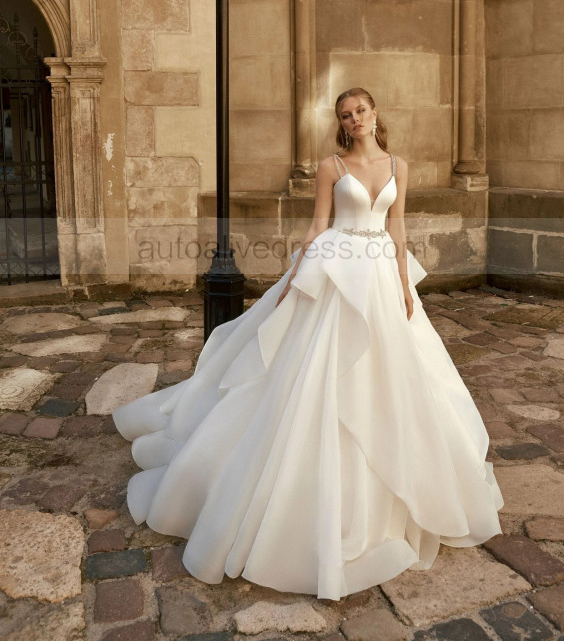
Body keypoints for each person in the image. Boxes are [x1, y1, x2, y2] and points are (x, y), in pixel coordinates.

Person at [112, 87, 504, 602]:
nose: (355, 118)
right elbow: (318, 227)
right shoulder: (331, 167)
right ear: (341, 123)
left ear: (374, 113)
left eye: (361, 110)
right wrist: (294, 280)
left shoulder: (398, 166)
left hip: (382, 278)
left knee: (396, 379)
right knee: (312, 377)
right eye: (346, 114)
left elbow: (399, 226)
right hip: (338, 275)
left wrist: (406, 284)